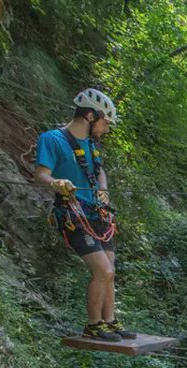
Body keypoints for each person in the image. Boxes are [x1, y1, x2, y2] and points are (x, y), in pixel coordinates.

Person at [34, 88, 134, 341]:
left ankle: (109, 322)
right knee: (103, 271)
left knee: (110, 269)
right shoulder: (52, 139)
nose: (107, 129)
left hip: (97, 213)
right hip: (72, 214)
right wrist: (56, 183)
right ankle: (93, 324)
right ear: (90, 116)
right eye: (105, 122)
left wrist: (103, 190)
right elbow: (41, 174)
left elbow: (99, 171)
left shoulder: (91, 144)